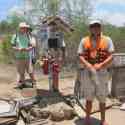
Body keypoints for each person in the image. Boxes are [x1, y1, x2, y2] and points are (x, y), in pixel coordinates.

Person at [77, 20, 114, 125]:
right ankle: (87, 118)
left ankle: (103, 120)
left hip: (102, 72)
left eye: (97, 26)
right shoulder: (84, 40)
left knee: (102, 97)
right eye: (93, 26)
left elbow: (112, 55)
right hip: (88, 72)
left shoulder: (107, 40)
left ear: (100, 28)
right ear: (90, 28)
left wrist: (101, 65)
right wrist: (88, 65)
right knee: (89, 97)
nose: (95, 28)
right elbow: (80, 55)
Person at [11, 22, 34, 88]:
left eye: (25, 28)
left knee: (30, 70)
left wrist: (28, 49)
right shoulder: (15, 36)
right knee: (21, 72)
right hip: (19, 56)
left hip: (27, 56)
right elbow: (12, 46)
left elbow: (32, 45)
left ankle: (33, 83)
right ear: (20, 28)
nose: (24, 29)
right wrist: (18, 49)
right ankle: (23, 84)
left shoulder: (28, 35)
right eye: (22, 28)